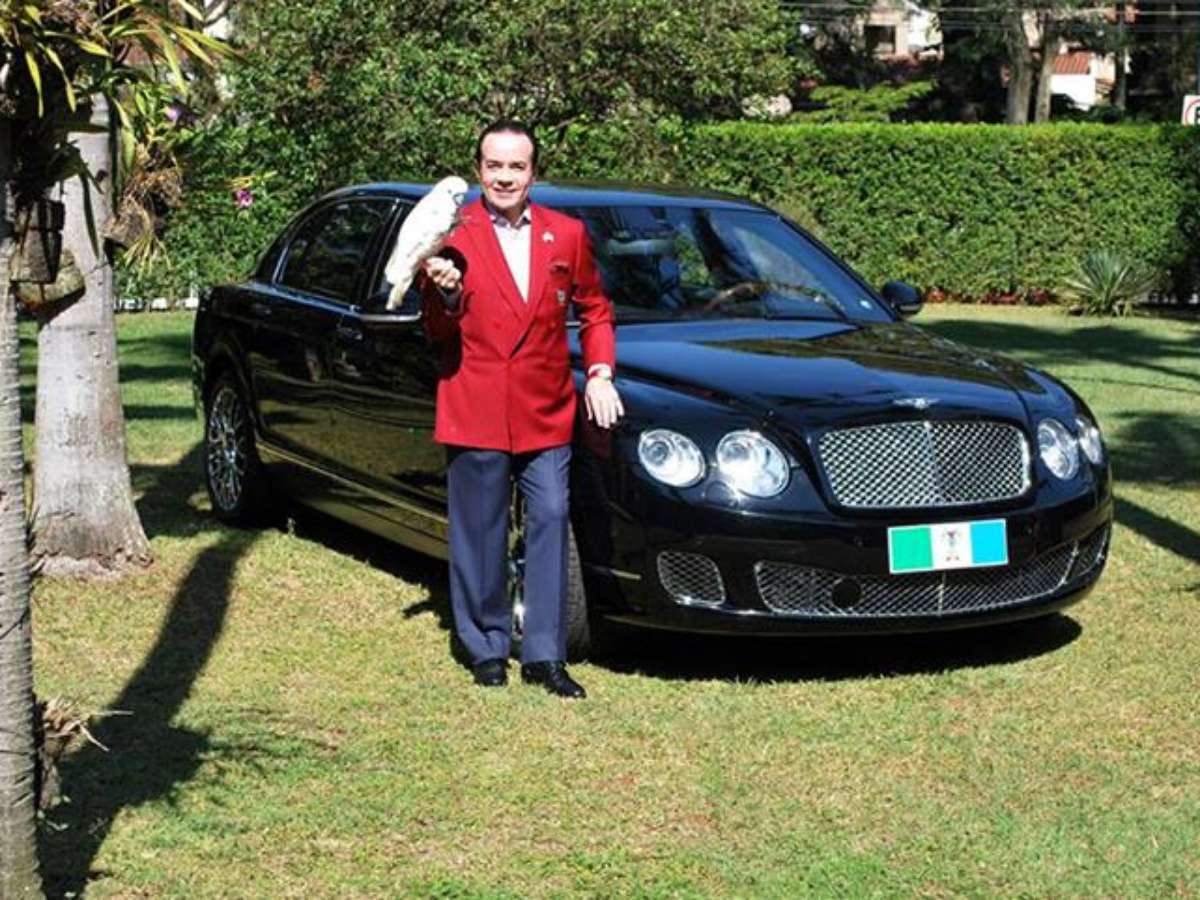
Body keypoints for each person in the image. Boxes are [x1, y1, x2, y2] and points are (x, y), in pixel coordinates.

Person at [420, 120, 623, 699]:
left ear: (534, 172)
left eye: (516, 166)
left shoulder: (567, 234)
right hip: (475, 404)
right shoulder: (452, 232)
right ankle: (486, 647)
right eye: (494, 166)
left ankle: (544, 655)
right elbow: (434, 329)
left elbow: (596, 310)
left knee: (552, 517)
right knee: (480, 533)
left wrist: (601, 373)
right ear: (479, 170)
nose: (505, 177)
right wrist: (446, 292)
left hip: (546, 408)